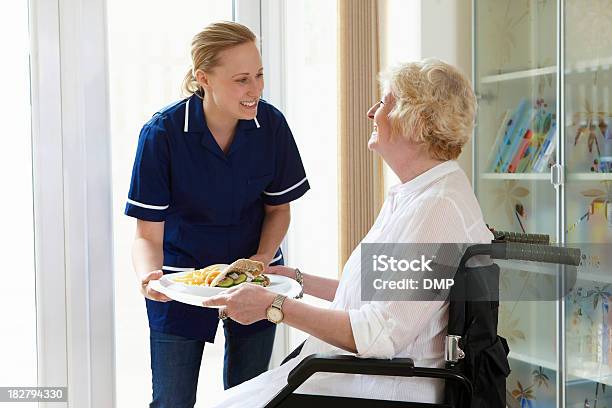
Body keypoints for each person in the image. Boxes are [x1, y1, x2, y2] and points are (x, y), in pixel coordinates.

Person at [202, 58, 493, 407]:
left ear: (416, 122)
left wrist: (273, 306)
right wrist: (298, 280)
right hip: (353, 379)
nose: (372, 112)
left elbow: (380, 333)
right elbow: (380, 300)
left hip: (380, 391)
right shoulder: (417, 194)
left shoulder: (439, 209)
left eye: (385, 102)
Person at [124, 21, 310, 408]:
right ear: (202, 77)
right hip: (181, 279)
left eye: (259, 75)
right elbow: (147, 234)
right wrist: (148, 277)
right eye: (241, 79)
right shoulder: (162, 135)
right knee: (172, 400)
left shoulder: (271, 126)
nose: (255, 89)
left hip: (256, 276)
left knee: (250, 397)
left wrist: (260, 260)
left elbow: (278, 209)